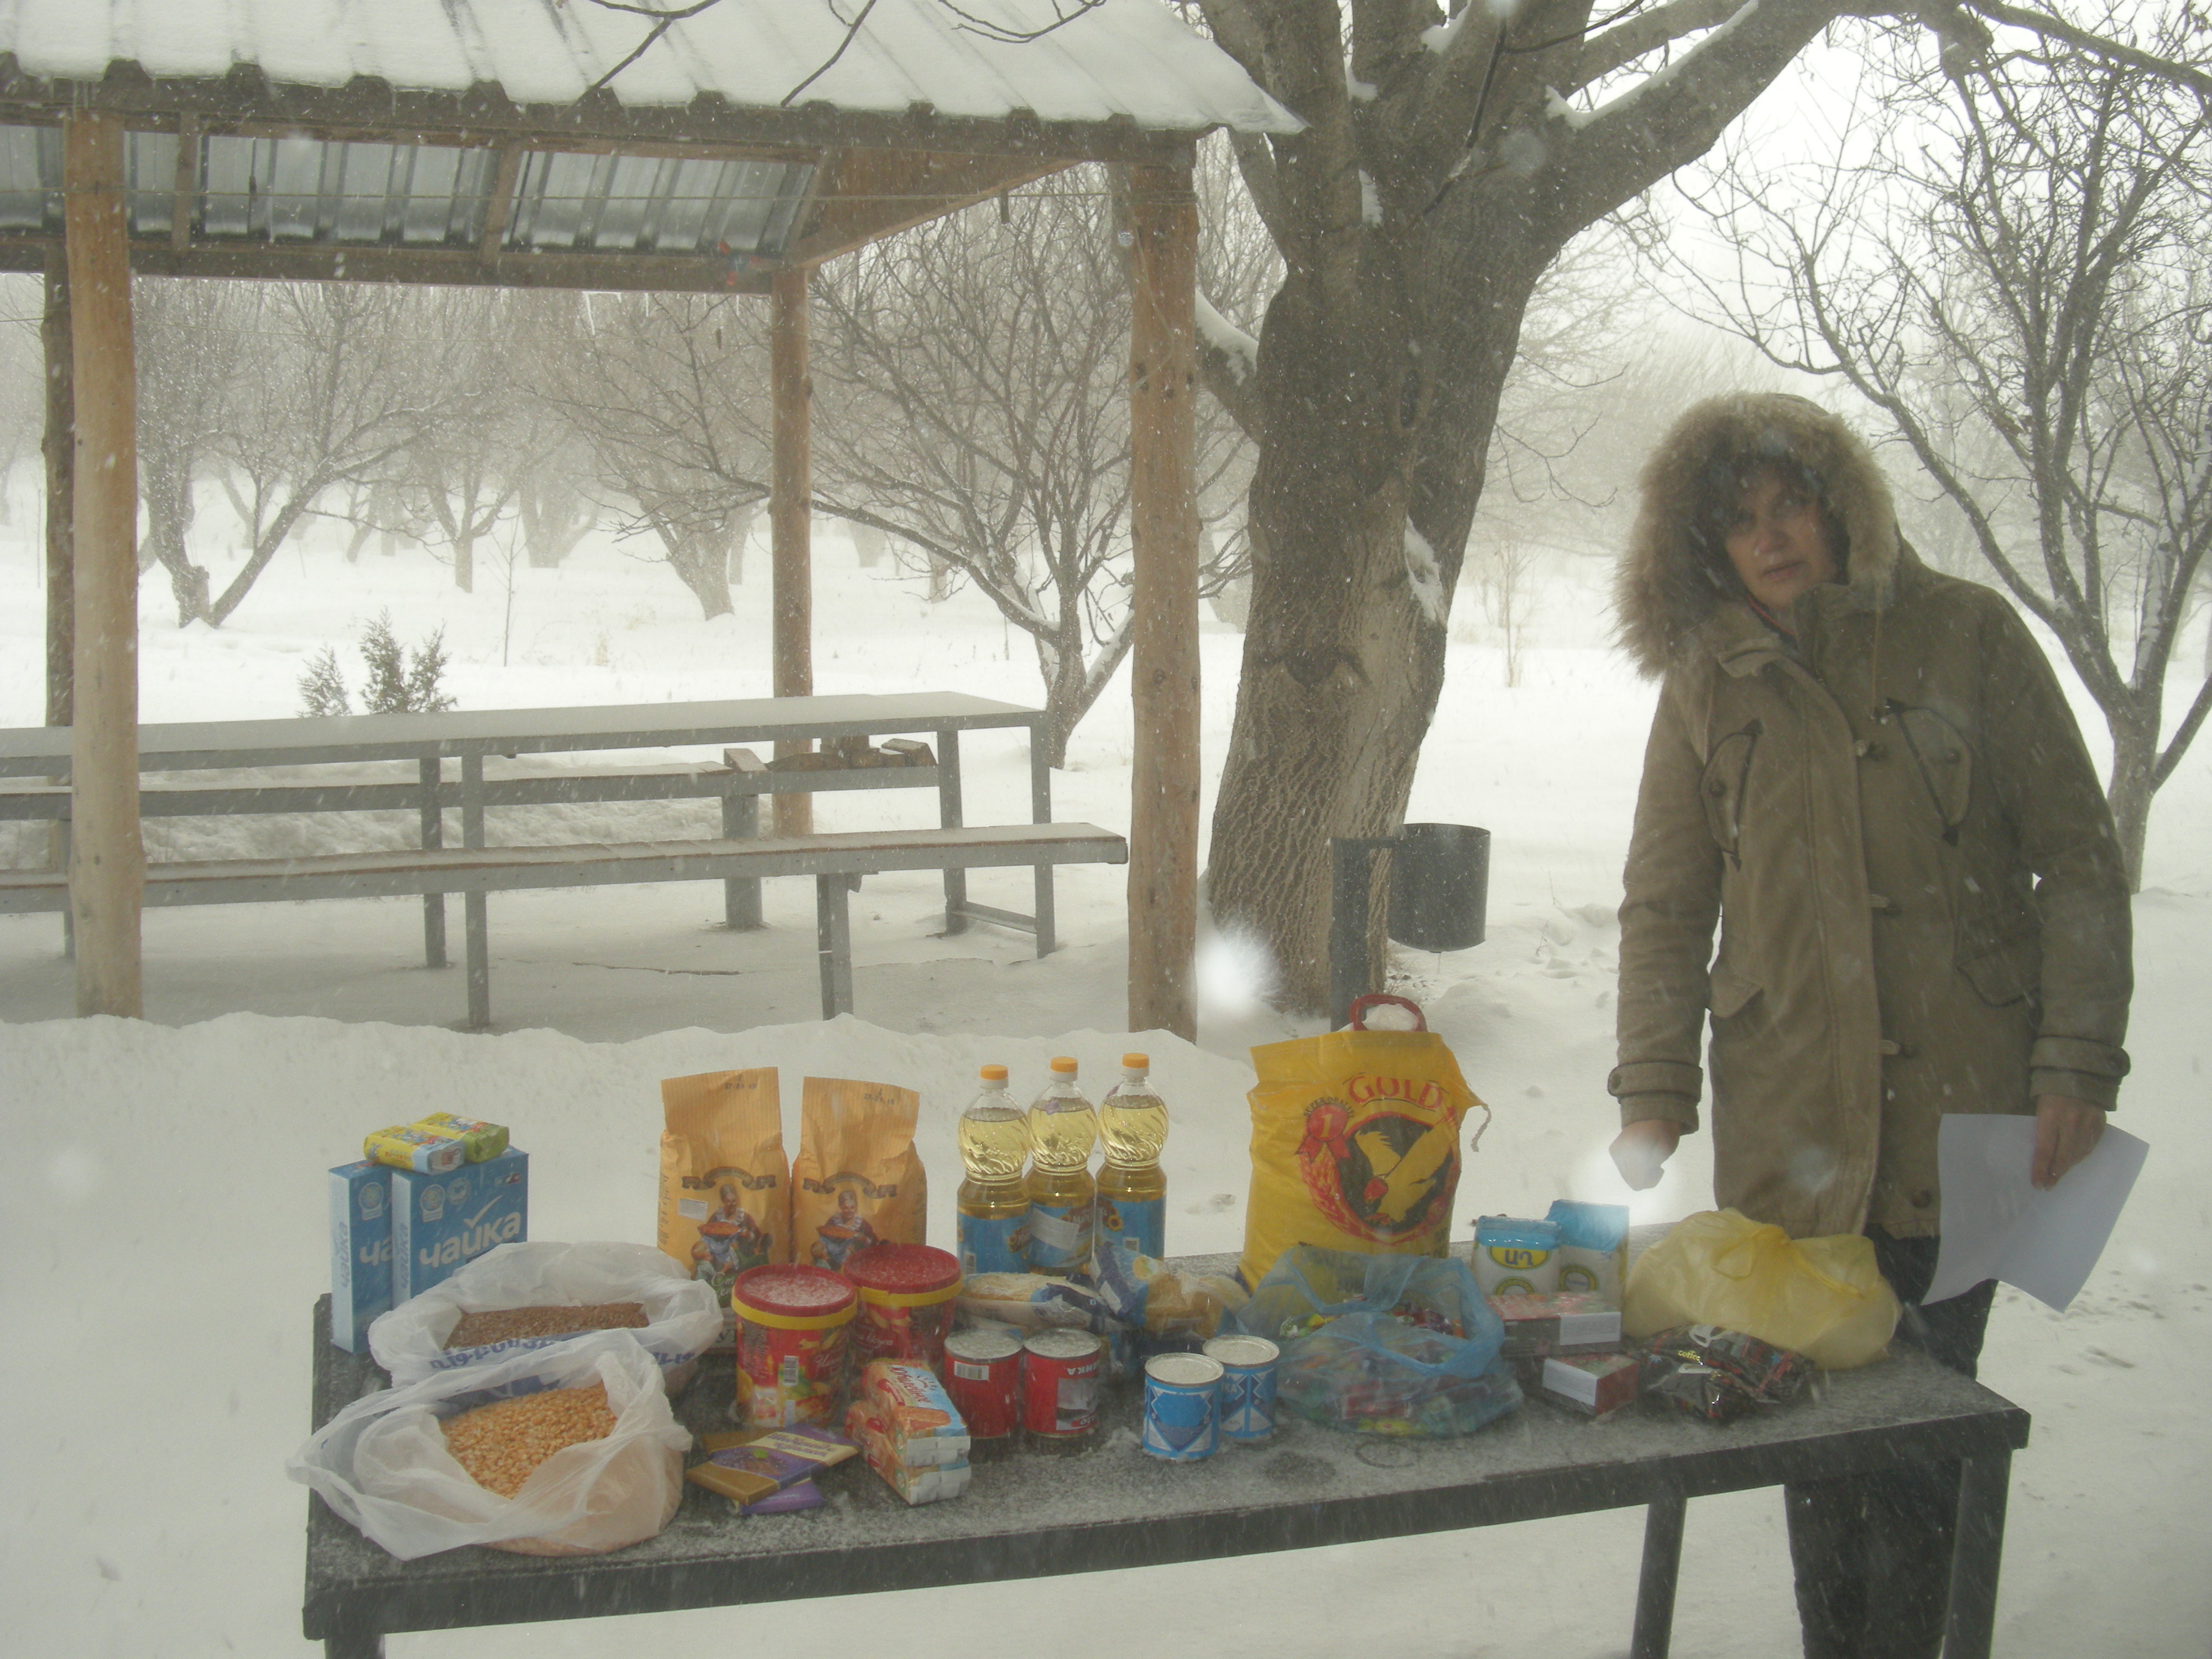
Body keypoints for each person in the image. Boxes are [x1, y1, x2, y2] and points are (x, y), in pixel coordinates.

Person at [1606, 393, 2132, 1658]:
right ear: (1705, 549)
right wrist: (1651, 1083)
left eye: (1790, 503)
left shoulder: (1964, 636)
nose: (1772, 536)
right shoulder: (1704, 682)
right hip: (1789, 1128)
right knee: (1815, 1443)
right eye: (1739, 522)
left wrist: (2074, 1063)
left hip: (1967, 1114)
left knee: (1931, 1431)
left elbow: (2073, 856)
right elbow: (1665, 901)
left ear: (1838, 505)